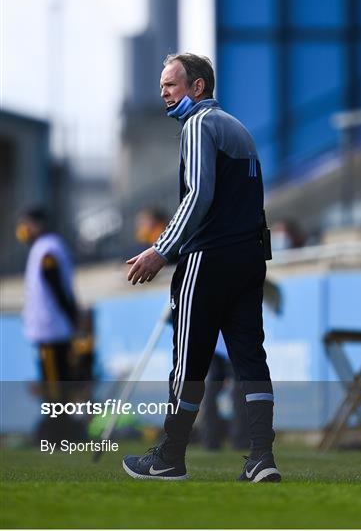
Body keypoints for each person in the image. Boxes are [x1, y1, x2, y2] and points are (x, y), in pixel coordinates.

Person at [123, 53, 281, 482]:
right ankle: (261, 458)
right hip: (250, 259)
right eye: (161, 88)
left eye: (171, 86)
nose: (164, 95)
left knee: (188, 363)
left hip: (208, 258)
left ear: (197, 87)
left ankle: (170, 456)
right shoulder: (240, 129)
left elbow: (198, 195)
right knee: (251, 359)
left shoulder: (198, 125)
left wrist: (160, 250)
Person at [16, 207, 78, 391]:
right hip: (50, 327)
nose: (23, 229)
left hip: (51, 328)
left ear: (39, 225)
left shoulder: (47, 249)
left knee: (55, 386)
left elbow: (57, 287)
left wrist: (71, 315)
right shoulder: (44, 246)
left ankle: (59, 419)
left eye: (27, 224)